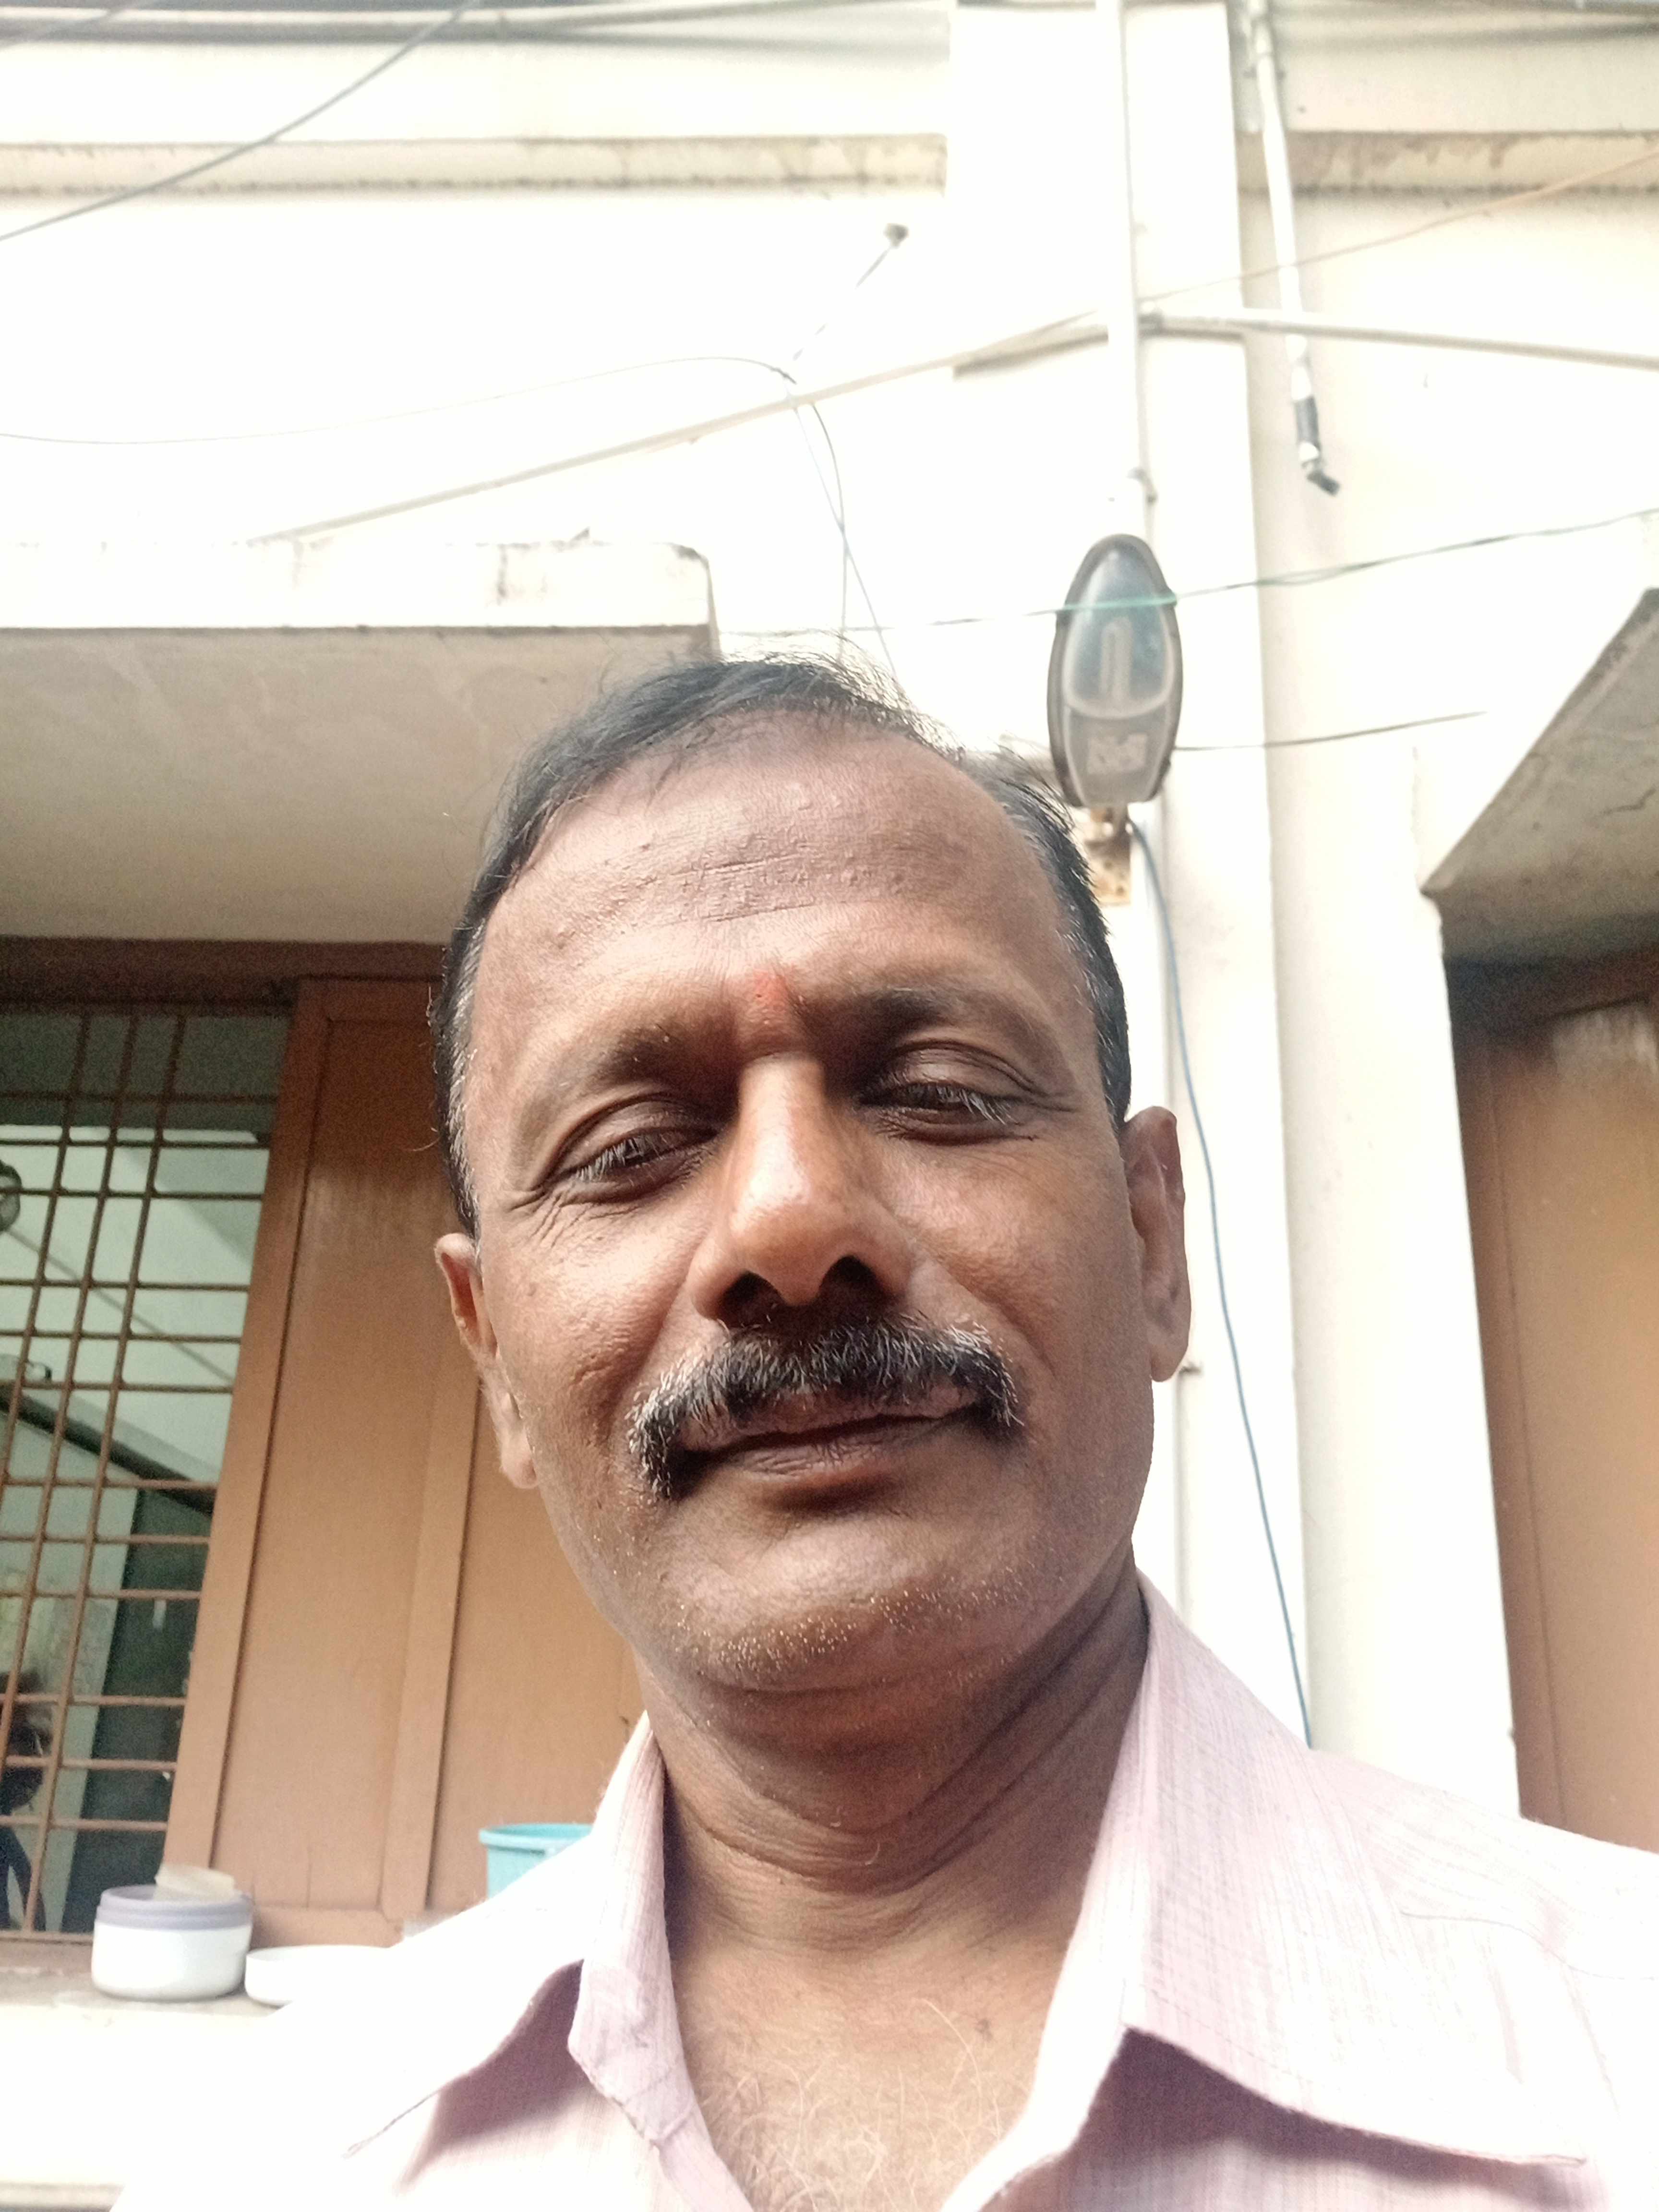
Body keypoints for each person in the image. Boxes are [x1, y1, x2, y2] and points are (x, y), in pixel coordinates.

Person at [121, 656, 1657, 2211]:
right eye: (632, 1147)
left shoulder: (1623, 2056)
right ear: (499, 1364)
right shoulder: (272, 2166)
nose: (791, 1224)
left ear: (1153, 1248)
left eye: (939, 1093)